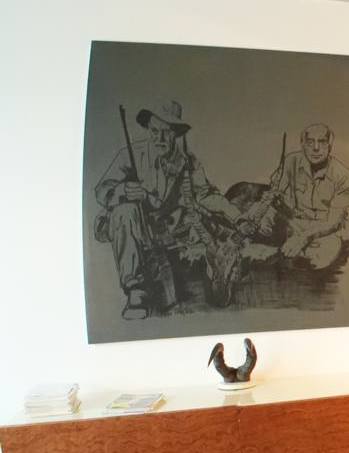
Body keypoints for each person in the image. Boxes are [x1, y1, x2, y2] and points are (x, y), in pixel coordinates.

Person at [93, 101, 240, 319]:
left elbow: (205, 195)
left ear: (175, 133)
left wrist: (236, 215)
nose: (160, 138)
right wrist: (124, 190)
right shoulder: (130, 154)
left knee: (171, 297)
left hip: (166, 230)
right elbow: (102, 190)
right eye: (154, 131)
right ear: (148, 130)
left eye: (166, 132)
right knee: (124, 211)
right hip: (134, 225)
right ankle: (135, 290)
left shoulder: (188, 161)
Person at [242, 122, 349, 270]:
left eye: (322, 142)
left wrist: (304, 237)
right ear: (303, 145)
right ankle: (277, 252)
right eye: (310, 142)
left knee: (320, 257)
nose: (316, 148)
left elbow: (334, 222)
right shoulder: (291, 161)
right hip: (292, 222)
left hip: (321, 231)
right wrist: (252, 218)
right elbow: (273, 194)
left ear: (330, 145)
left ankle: (273, 254)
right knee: (256, 218)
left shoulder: (343, 174)